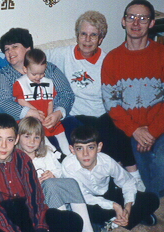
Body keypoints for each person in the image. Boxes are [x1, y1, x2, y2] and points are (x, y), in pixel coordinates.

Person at [43, 11, 143, 189]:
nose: (87, 40)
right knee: (85, 142)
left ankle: (133, 176)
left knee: (117, 130)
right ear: (77, 35)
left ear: (101, 39)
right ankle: (111, 180)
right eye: (83, 34)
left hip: (102, 113)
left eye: (93, 35)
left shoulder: (108, 60)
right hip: (74, 115)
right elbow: (34, 56)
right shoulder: (62, 54)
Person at [101, 0, 164, 197]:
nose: (136, 23)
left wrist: (153, 132)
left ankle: (149, 197)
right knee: (145, 174)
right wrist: (135, 131)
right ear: (123, 21)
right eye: (131, 17)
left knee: (162, 166)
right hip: (134, 129)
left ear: (152, 23)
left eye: (143, 18)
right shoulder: (112, 59)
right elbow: (111, 103)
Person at [17, 117, 106, 232]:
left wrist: (52, 174)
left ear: (41, 139)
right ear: (18, 137)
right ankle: (71, 231)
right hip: (36, 202)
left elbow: (60, 170)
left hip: (53, 195)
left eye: (36, 137)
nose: (31, 141)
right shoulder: (16, 159)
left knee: (70, 182)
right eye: (27, 136)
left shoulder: (45, 153)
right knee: (50, 185)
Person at [62, 125, 160, 232]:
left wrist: (127, 207)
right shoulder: (68, 166)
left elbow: (127, 181)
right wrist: (114, 206)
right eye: (79, 148)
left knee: (152, 199)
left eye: (90, 147)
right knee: (82, 214)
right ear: (72, 150)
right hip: (88, 201)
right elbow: (83, 196)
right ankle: (123, 220)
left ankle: (116, 221)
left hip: (108, 192)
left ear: (99, 147)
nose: (85, 154)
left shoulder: (106, 161)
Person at [0, 28, 74, 153]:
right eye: (7, 49)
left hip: (53, 119)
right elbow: (1, 103)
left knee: (77, 130)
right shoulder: (3, 75)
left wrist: (58, 113)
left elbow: (66, 93)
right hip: (23, 125)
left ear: (28, 49)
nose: (10, 52)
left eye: (15, 47)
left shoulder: (48, 68)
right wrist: (27, 112)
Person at [13, 49, 70, 154]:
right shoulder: (20, 83)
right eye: (34, 74)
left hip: (45, 116)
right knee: (38, 133)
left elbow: (50, 101)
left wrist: (50, 115)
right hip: (30, 119)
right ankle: (54, 152)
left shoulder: (48, 82)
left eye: (41, 73)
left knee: (60, 131)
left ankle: (68, 153)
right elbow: (21, 100)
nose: (38, 77)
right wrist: (35, 110)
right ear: (25, 69)